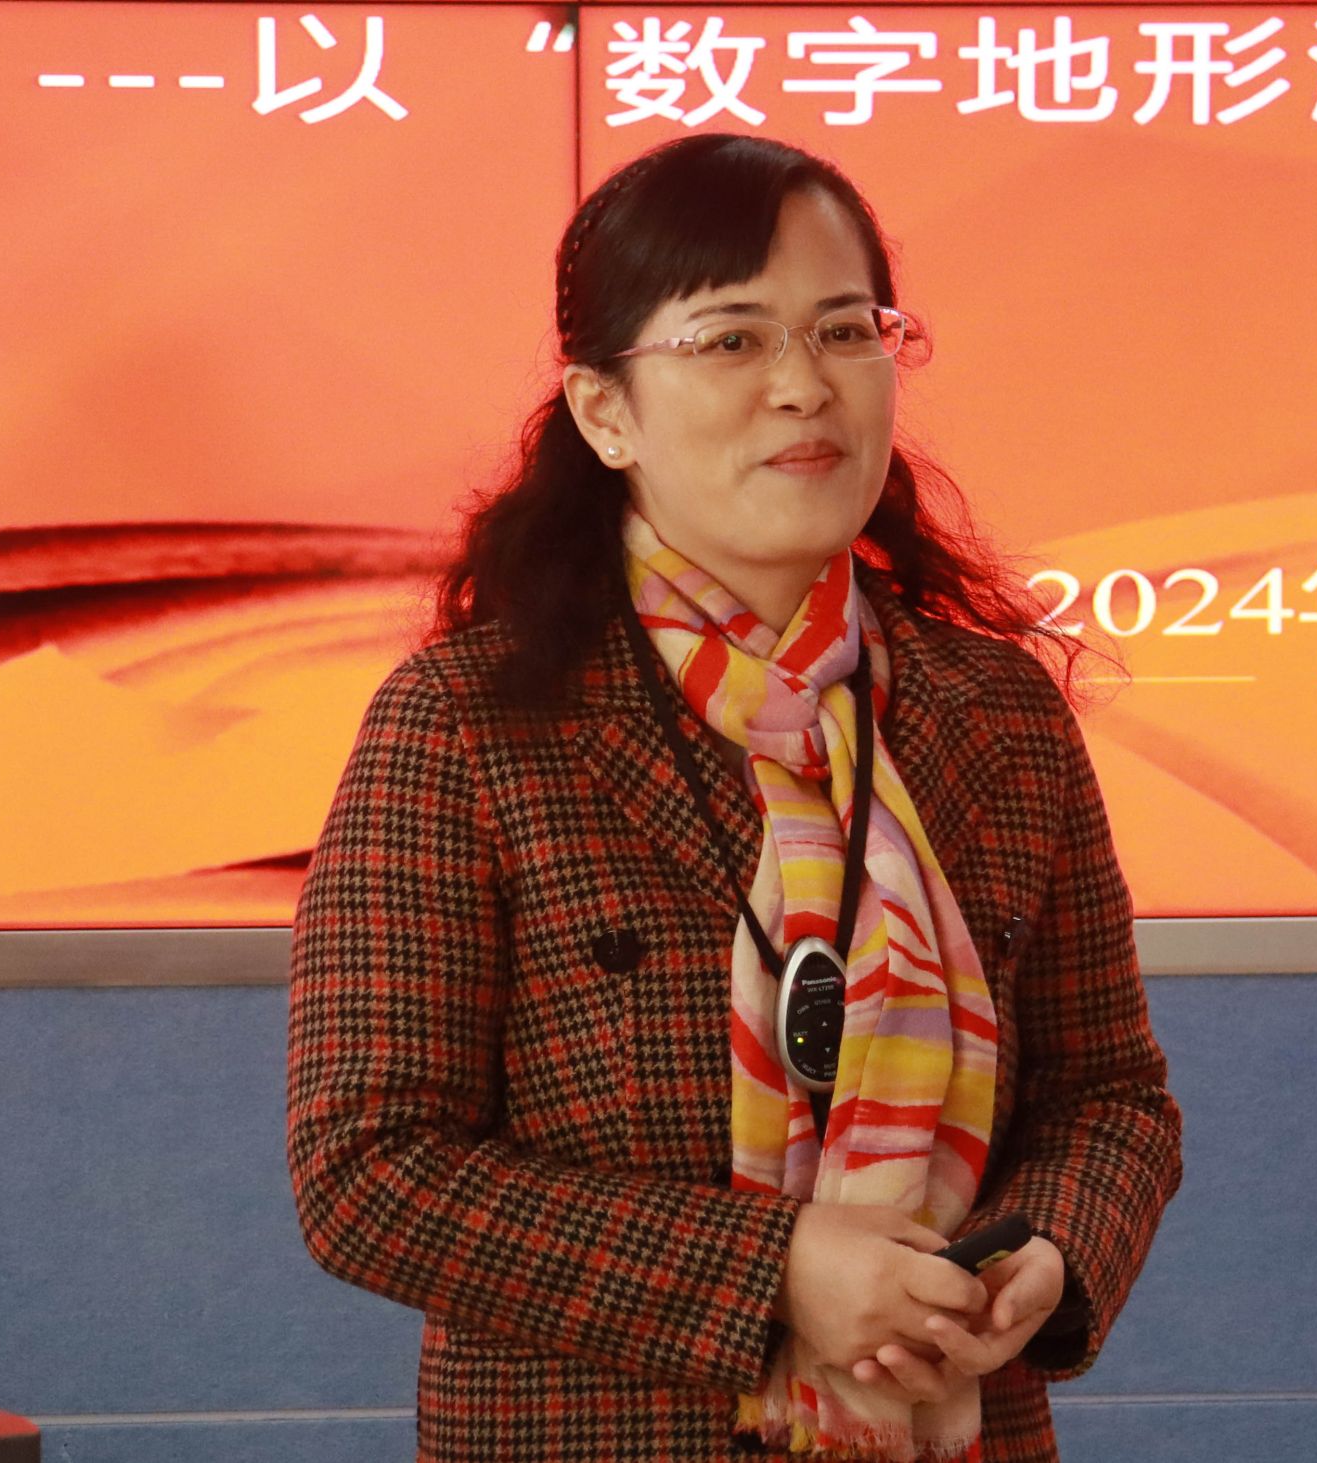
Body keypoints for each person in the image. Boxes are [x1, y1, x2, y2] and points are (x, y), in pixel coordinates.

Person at [286, 133, 1181, 1463]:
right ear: (605, 413)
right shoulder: (469, 723)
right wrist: (775, 1272)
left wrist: (1044, 1248)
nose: (803, 386)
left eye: (844, 331)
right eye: (732, 341)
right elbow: (369, 1169)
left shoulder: (992, 711)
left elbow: (1111, 1097)